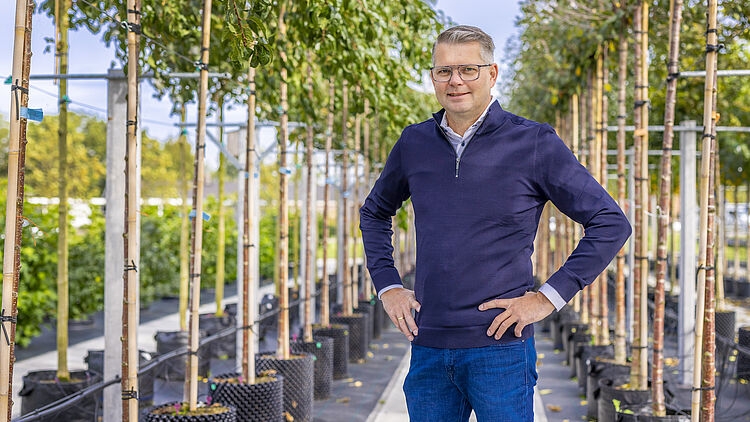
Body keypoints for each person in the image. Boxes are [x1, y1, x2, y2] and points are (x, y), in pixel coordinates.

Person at [359, 25, 631, 421]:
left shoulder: (533, 142)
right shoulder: (413, 143)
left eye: (468, 69)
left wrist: (547, 298)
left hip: (501, 349)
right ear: (433, 77)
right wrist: (388, 286)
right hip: (428, 345)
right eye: (443, 71)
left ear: (492, 73)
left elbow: (610, 222)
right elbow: (375, 211)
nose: (455, 81)